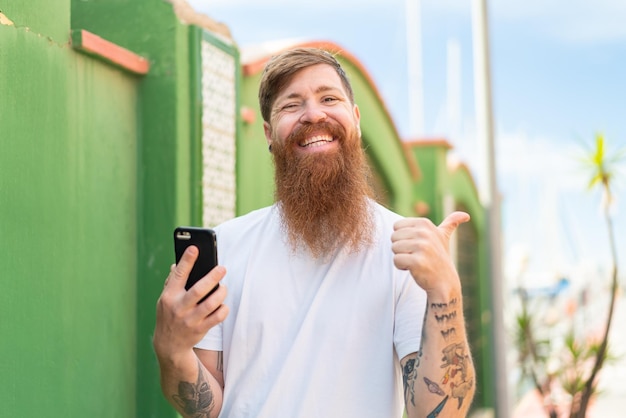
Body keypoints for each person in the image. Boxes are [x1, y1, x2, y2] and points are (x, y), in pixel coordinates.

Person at [153, 47, 475, 418]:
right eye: (292, 105)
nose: (314, 114)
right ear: (269, 134)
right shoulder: (226, 246)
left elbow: (438, 413)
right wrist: (172, 350)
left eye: (329, 98)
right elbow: (206, 410)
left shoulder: (403, 250)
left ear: (355, 119)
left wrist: (445, 290)